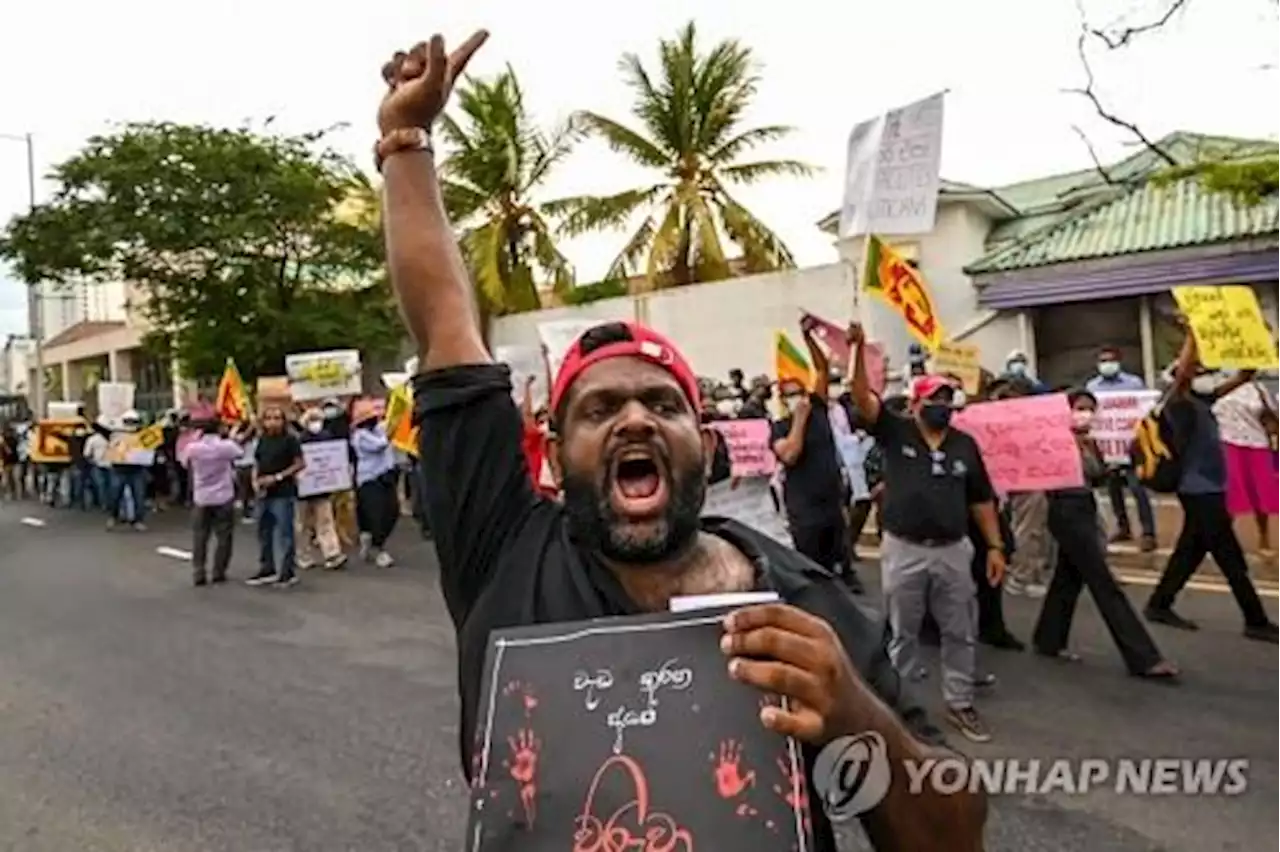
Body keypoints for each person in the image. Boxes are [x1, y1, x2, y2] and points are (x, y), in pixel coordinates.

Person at [376, 30, 985, 852]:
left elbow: (951, 836)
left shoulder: (804, 608)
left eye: (662, 405)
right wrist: (405, 142)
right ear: (553, 453)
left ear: (704, 441)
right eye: (599, 411)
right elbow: (447, 323)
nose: (633, 420)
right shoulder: (504, 554)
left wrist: (852, 711)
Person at [845, 319, 1006, 743]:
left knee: (959, 629)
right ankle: (900, 707)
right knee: (904, 632)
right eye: (934, 399)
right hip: (904, 549)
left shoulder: (964, 444)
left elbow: (981, 498)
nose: (942, 407)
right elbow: (862, 397)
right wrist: (858, 349)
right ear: (915, 404)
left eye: (947, 401)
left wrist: (994, 546)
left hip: (954, 549)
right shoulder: (895, 431)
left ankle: (959, 702)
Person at [1144, 319, 1280, 642]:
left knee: (1189, 551)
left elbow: (1241, 377)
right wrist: (1194, 333)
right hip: (1198, 489)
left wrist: (1254, 348)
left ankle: (1159, 603)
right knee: (1230, 557)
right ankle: (1256, 619)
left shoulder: (1204, 401)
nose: (1202, 370)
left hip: (1213, 486)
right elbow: (1183, 374)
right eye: (1197, 368)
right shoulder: (1176, 402)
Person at [1033, 390, 1178, 678]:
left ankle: (1048, 638)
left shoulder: (1089, 442)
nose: (1085, 413)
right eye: (1080, 408)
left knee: (1068, 577)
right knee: (1103, 583)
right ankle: (1143, 657)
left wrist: (1091, 447)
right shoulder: (1054, 441)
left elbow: (1098, 475)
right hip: (1065, 510)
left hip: (1084, 507)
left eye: (1090, 409)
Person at [772, 319, 860, 591]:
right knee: (812, 573)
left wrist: (808, 336)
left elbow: (821, 368)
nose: (796, 398)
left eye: (799, 392)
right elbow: (790, 455)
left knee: (841, 570)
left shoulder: (819, 409)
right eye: (789, 395)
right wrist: (799, 420)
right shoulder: (779, 427)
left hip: (831, 505)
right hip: (805, 512)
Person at [1086, 346, 1157, 551]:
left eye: (1110, 360)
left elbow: (1144, 410)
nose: (1107, 364)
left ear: (1119, 361)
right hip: (1108, 447)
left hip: (1132, 445)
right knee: (1113, 489)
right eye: (1103, 361)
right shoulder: (1093, 386)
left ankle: (1148, 532)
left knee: (1138, 489)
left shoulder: (1134, 384)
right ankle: (1123, 527)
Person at [1213, 376, 1280, 556]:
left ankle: (1264, 538)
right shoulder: (1216, 385)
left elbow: (1272, 416)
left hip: (1257, 444)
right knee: (1231, 493)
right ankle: (1222, 541)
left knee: (1260, 493)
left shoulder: (1257, 387)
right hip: (1227, 443)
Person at [181, 419, 246, 586]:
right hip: (223, 495)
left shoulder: (193, 448)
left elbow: (183, 462)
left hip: (202, 497)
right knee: (224, 536)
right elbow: (240, 453)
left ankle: (199, 572)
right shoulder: (225, 447)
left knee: (200, 536)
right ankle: (219, 571)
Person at [249, 405, 305, 587]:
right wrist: (255, 481)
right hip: (264, 493)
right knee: (263, 532)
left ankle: (288, 572)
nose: (272, 422)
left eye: (277, 418)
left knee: (285, 533)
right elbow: (257, 462)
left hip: (283, 492)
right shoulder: (262, 440)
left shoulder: (290, 440)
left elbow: (299, 463)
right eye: (269, 418)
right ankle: (267, 568)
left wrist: (278, 477)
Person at [296, 407, 348, 570]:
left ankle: (332, 554)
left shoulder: (327, 438)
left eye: (317, 419)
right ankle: (303, 555)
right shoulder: (298, 441)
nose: (315, 423)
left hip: (321, 488)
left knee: (325, 521)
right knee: (302, 525)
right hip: (303, 489)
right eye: (312, 419)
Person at [350, 400, 399, 568]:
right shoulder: (359, 437)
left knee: (392, 511)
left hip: (386, 476)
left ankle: (369, 537)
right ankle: (379, 549)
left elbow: (390, 425)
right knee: (376, 514)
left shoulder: (378, 430)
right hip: (369, 479)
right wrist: (391, 432)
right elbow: (380, 445)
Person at [107, 410, 149, 530]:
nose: (131, 425)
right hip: (119, 469)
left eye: (133, 422)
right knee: (115, 495)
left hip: (137, 470)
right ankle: (113, 517)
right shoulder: (116, 435)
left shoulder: (143, 435)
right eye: (128, 422)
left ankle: (138, 520)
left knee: (139, 496)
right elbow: (112, 450)